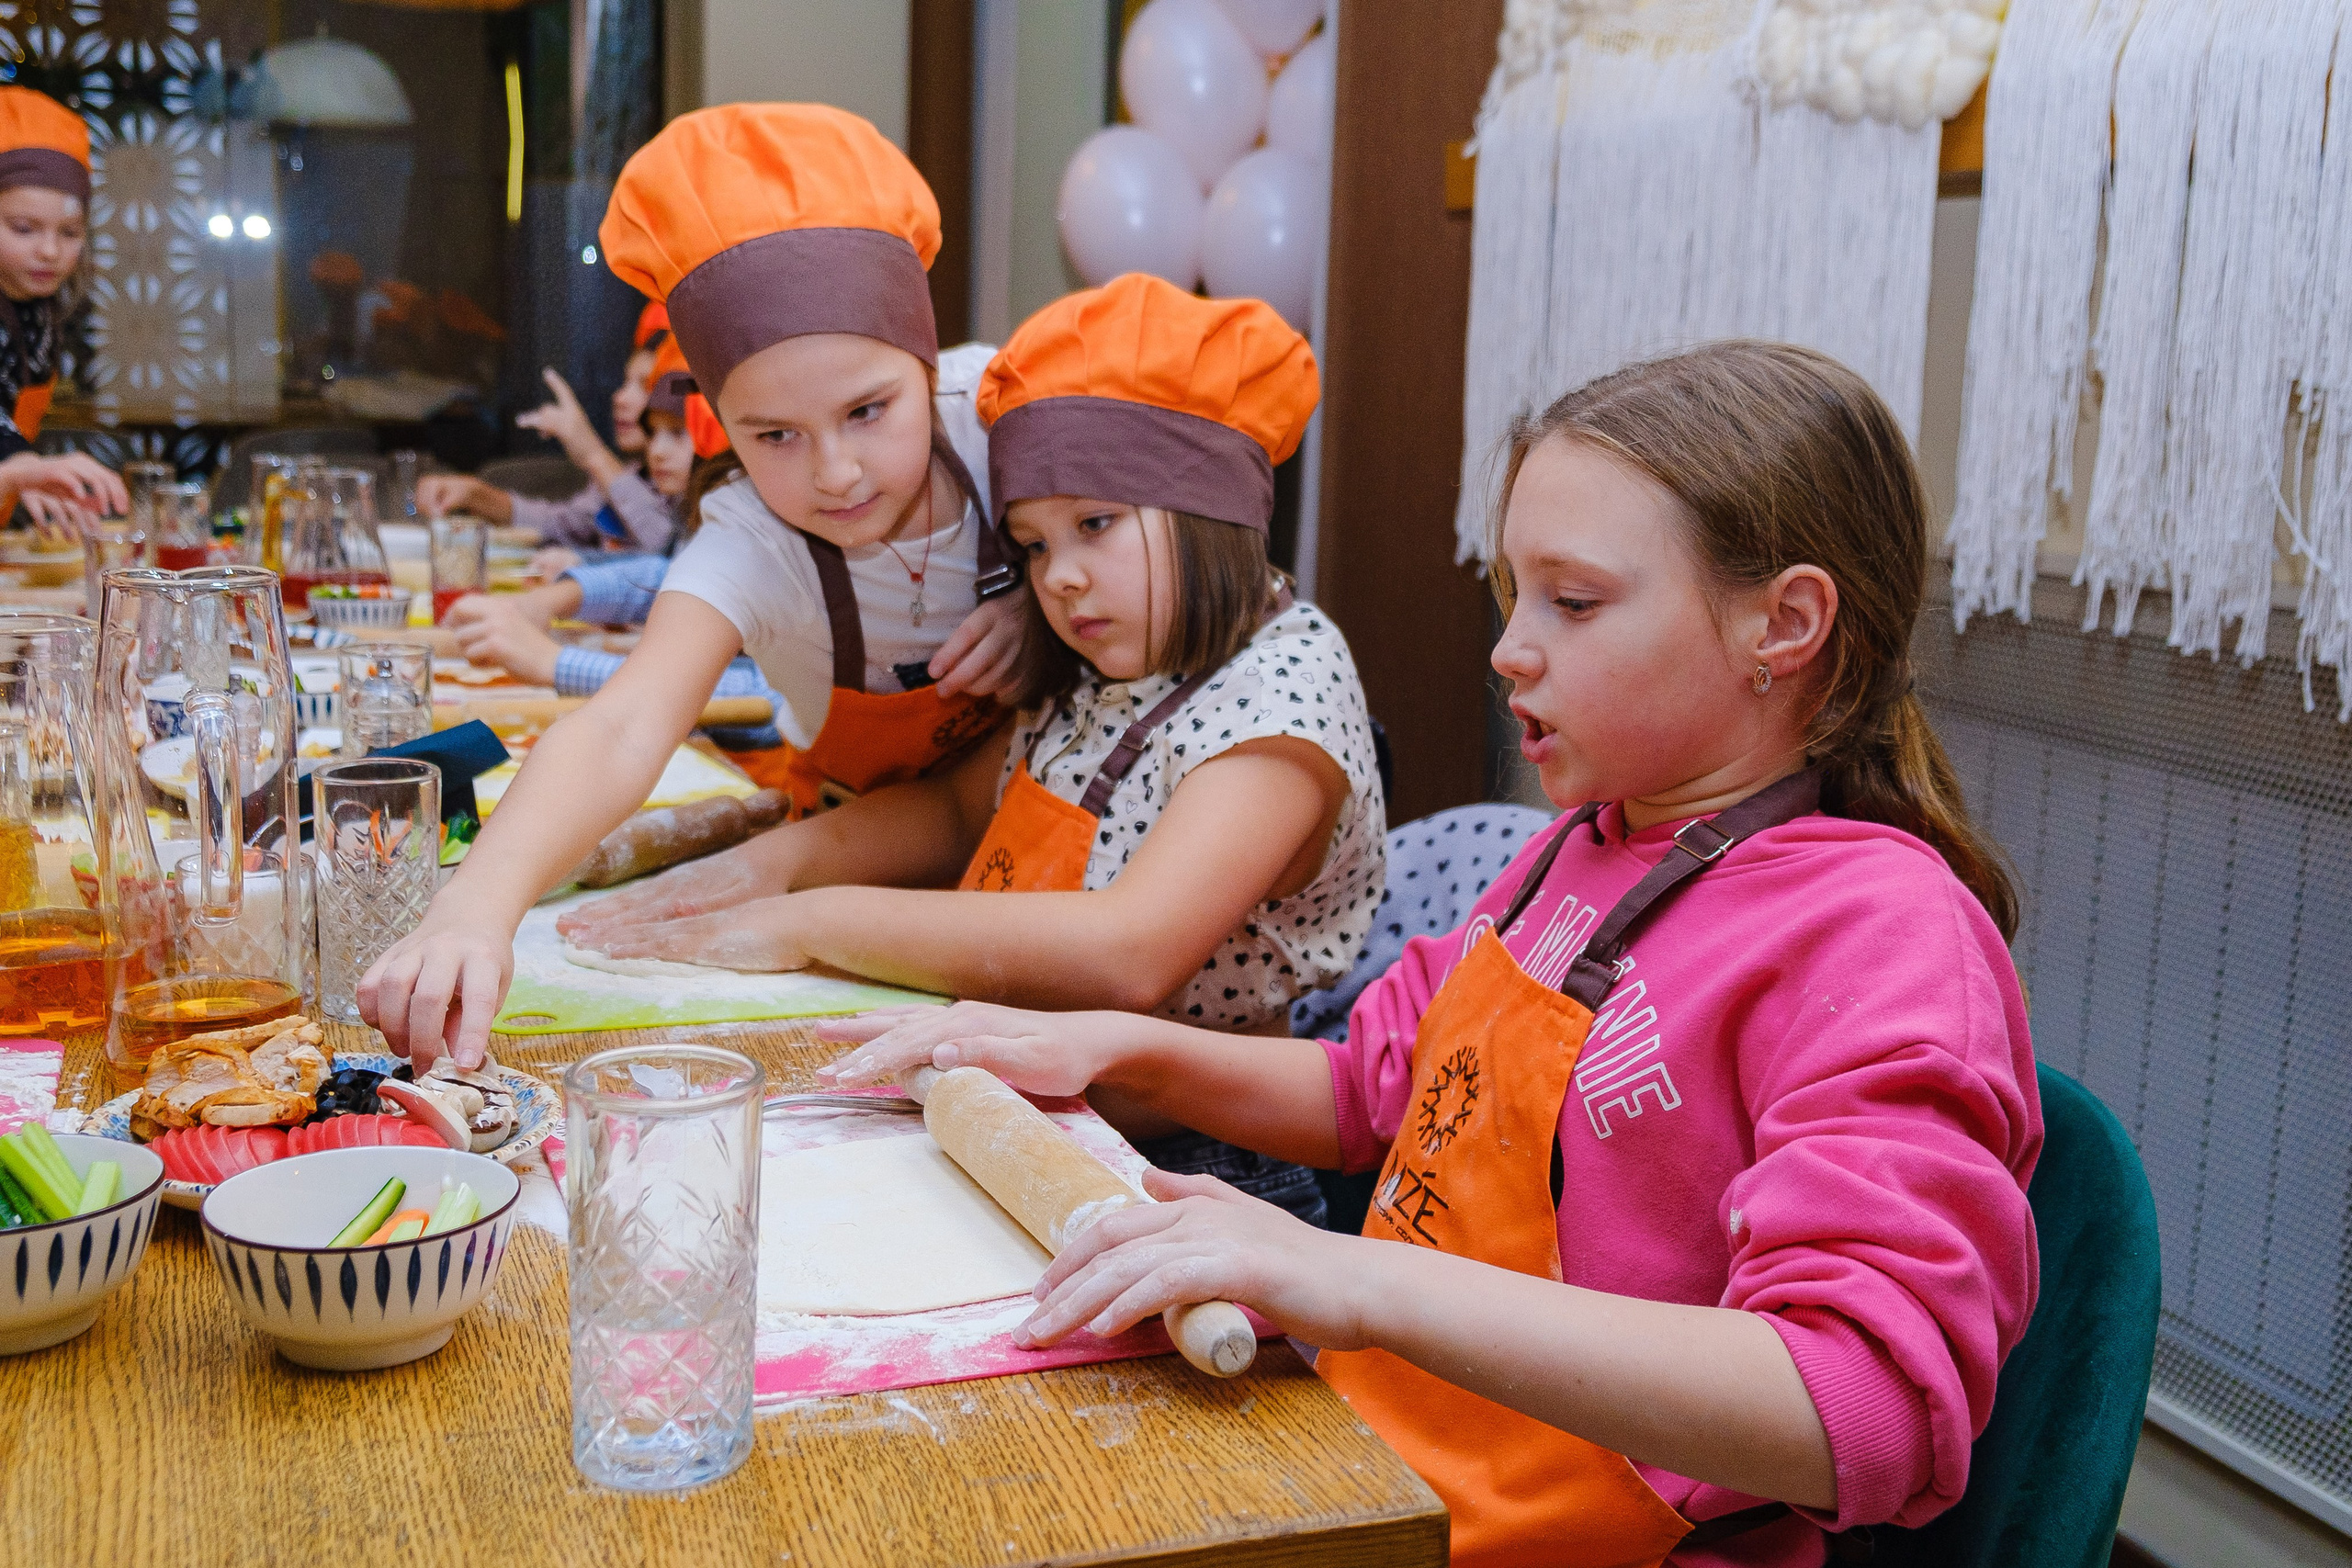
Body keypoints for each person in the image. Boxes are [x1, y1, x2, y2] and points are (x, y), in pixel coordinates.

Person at [820, 342, 2042, 1567]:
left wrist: (1350, 1279)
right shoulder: (1581, 849)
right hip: (1376, 1469)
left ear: (1783, 623)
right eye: (1513, 596)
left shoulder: (1883, 932)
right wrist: (1111, 1050)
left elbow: (1856, 1406)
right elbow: (1376, 1087)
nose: (1510, 649)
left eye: (1573, 602)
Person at [555, 275, 1387, 1222]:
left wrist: (809, 921)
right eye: (1032, 545)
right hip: (1012, 1119)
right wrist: (768, 868)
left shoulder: (1280, 696)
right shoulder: (1114, 659)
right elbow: (956, 810)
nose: (1060, 577)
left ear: (1210, 508)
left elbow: (1131, 949)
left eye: (1095, 525)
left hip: (1196, 1178)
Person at [360, 102, 1027, 1066]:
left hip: (1043, 887)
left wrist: (1034, 610)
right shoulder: (751, 537)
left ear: (927, 369)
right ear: (722, 423)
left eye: (868, 411)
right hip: (852, 872)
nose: (835, 471)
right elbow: (622, 727)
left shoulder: (1009, 417)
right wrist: (473, 908)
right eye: (775, 435)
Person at [446, 355, 785, 752]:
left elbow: (773, 701)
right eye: (654, 434)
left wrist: (555, 663)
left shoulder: (773, 516)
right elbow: (670, 577)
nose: (657, 451)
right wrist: (551, 600)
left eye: (680, 434)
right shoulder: (733, 506)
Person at [0, 86, 128, 527]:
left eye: (70, 233)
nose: (50, 251)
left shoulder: (37, 311)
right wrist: (19, 467)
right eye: (24, 228)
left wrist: (25, 476)